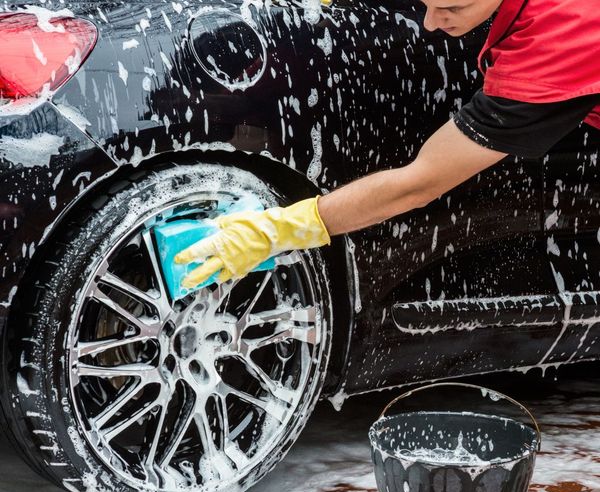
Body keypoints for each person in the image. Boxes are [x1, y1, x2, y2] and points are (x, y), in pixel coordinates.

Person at [175, 0, 600, 289]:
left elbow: (419, 184)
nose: (431, 22)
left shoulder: (557, 45)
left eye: (452, 8)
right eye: (427, 3)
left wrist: (276, 231)